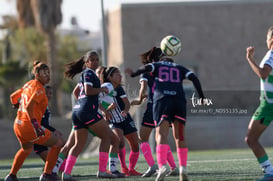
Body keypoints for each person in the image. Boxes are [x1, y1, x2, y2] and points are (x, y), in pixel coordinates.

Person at [126, 54, 205, 181]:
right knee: (179, 135)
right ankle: (182, 167)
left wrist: (134, 74)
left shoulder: (157, 66)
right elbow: (194, 77)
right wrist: (201, 97)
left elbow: (145, 69)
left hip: (161, 101)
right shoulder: (179, 67)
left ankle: (161, 166)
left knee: (160, 135)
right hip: (179, 101)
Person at [62, 51, 120, 180]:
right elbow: (88, 91)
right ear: (86, 62)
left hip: (77, 111)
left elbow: (80, 93)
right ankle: (102, 171)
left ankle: (66, 173)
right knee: (109, 139)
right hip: (87, 112)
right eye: (92, 60)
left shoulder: (89, 74)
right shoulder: (88, 73)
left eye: (97, 59)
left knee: (78, 145)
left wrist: (102, 109)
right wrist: (102, 89)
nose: (95, 62)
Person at [5, 61, 64, 181]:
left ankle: (11, 176)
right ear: (37, 75)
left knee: (26, 149)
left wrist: (16, 105)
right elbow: (29, 107)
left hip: (18, 125)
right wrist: (36, 126)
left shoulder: (28, 84)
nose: (47, 75)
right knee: (58, 143)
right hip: (29, 126)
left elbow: (13, 97)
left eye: (48, 73)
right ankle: (47, 174)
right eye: (44, 73)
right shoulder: (40, 89)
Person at [130, 47, 179, 177]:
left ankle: (153, 166)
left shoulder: (147, 69)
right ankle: (173, 167)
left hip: (154, 106)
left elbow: (143, 89)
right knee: (162, 137)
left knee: (143, 139)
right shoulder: (168, 70)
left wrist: (140, 100)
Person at [99, 66, 142, 176]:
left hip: (126, 119)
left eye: (120, 73)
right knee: (119, 141)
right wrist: (107, 110)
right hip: (114, 121)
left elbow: (126, 103)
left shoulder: (119, 89)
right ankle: (123, 167)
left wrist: (125, 110)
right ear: (110, 77)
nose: (120, 76)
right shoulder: (104, 88)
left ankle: (131, 169)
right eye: (117, 74)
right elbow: (97, 103)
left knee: (135, 145)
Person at [245, 26, 273, 181]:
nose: (266, 40)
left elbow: (263, 74)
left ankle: (269, 172)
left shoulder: (271, 54)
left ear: (272, 39)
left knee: (251, 139)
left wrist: (250, 59)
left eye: (267, 37)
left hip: (268, 105)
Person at [32, 85, 64, 163]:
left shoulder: (45, 105)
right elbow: (41, 122)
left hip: (42, 134)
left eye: (51, 93)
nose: (49, 95)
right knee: (61, 143)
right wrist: (54, 130)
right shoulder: (39, 105)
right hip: (37, 135)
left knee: (50, 163)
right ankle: (60, 168)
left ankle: (57, 168)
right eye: (47, 93)